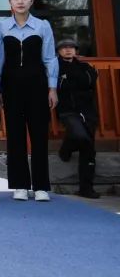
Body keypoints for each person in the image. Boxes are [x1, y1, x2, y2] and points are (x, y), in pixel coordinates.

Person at [0, 0, 58, 202]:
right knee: (15, 135)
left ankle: (41, 186)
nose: (20, 2)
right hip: (11, 87)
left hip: (37, 86)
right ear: (10, 3)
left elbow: (49, 58)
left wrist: (52, 88)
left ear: (31, 1)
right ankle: (20, 184)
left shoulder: (42, 26)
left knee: (39, 135)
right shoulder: (1, 27)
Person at [57, 37, 99, 199]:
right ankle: (66, 149)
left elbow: (90, 81)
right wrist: (71, 80)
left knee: (89, 150)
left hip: (87, 111)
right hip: (68, 110)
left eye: (71, 47)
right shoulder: (56, 67)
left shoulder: (84, 66)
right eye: (64, 47)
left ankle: (86, 188)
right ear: (59, 51)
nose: (68, 50)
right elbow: (60, 86)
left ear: (76, 51)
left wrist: (72, 78)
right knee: (82, 137)